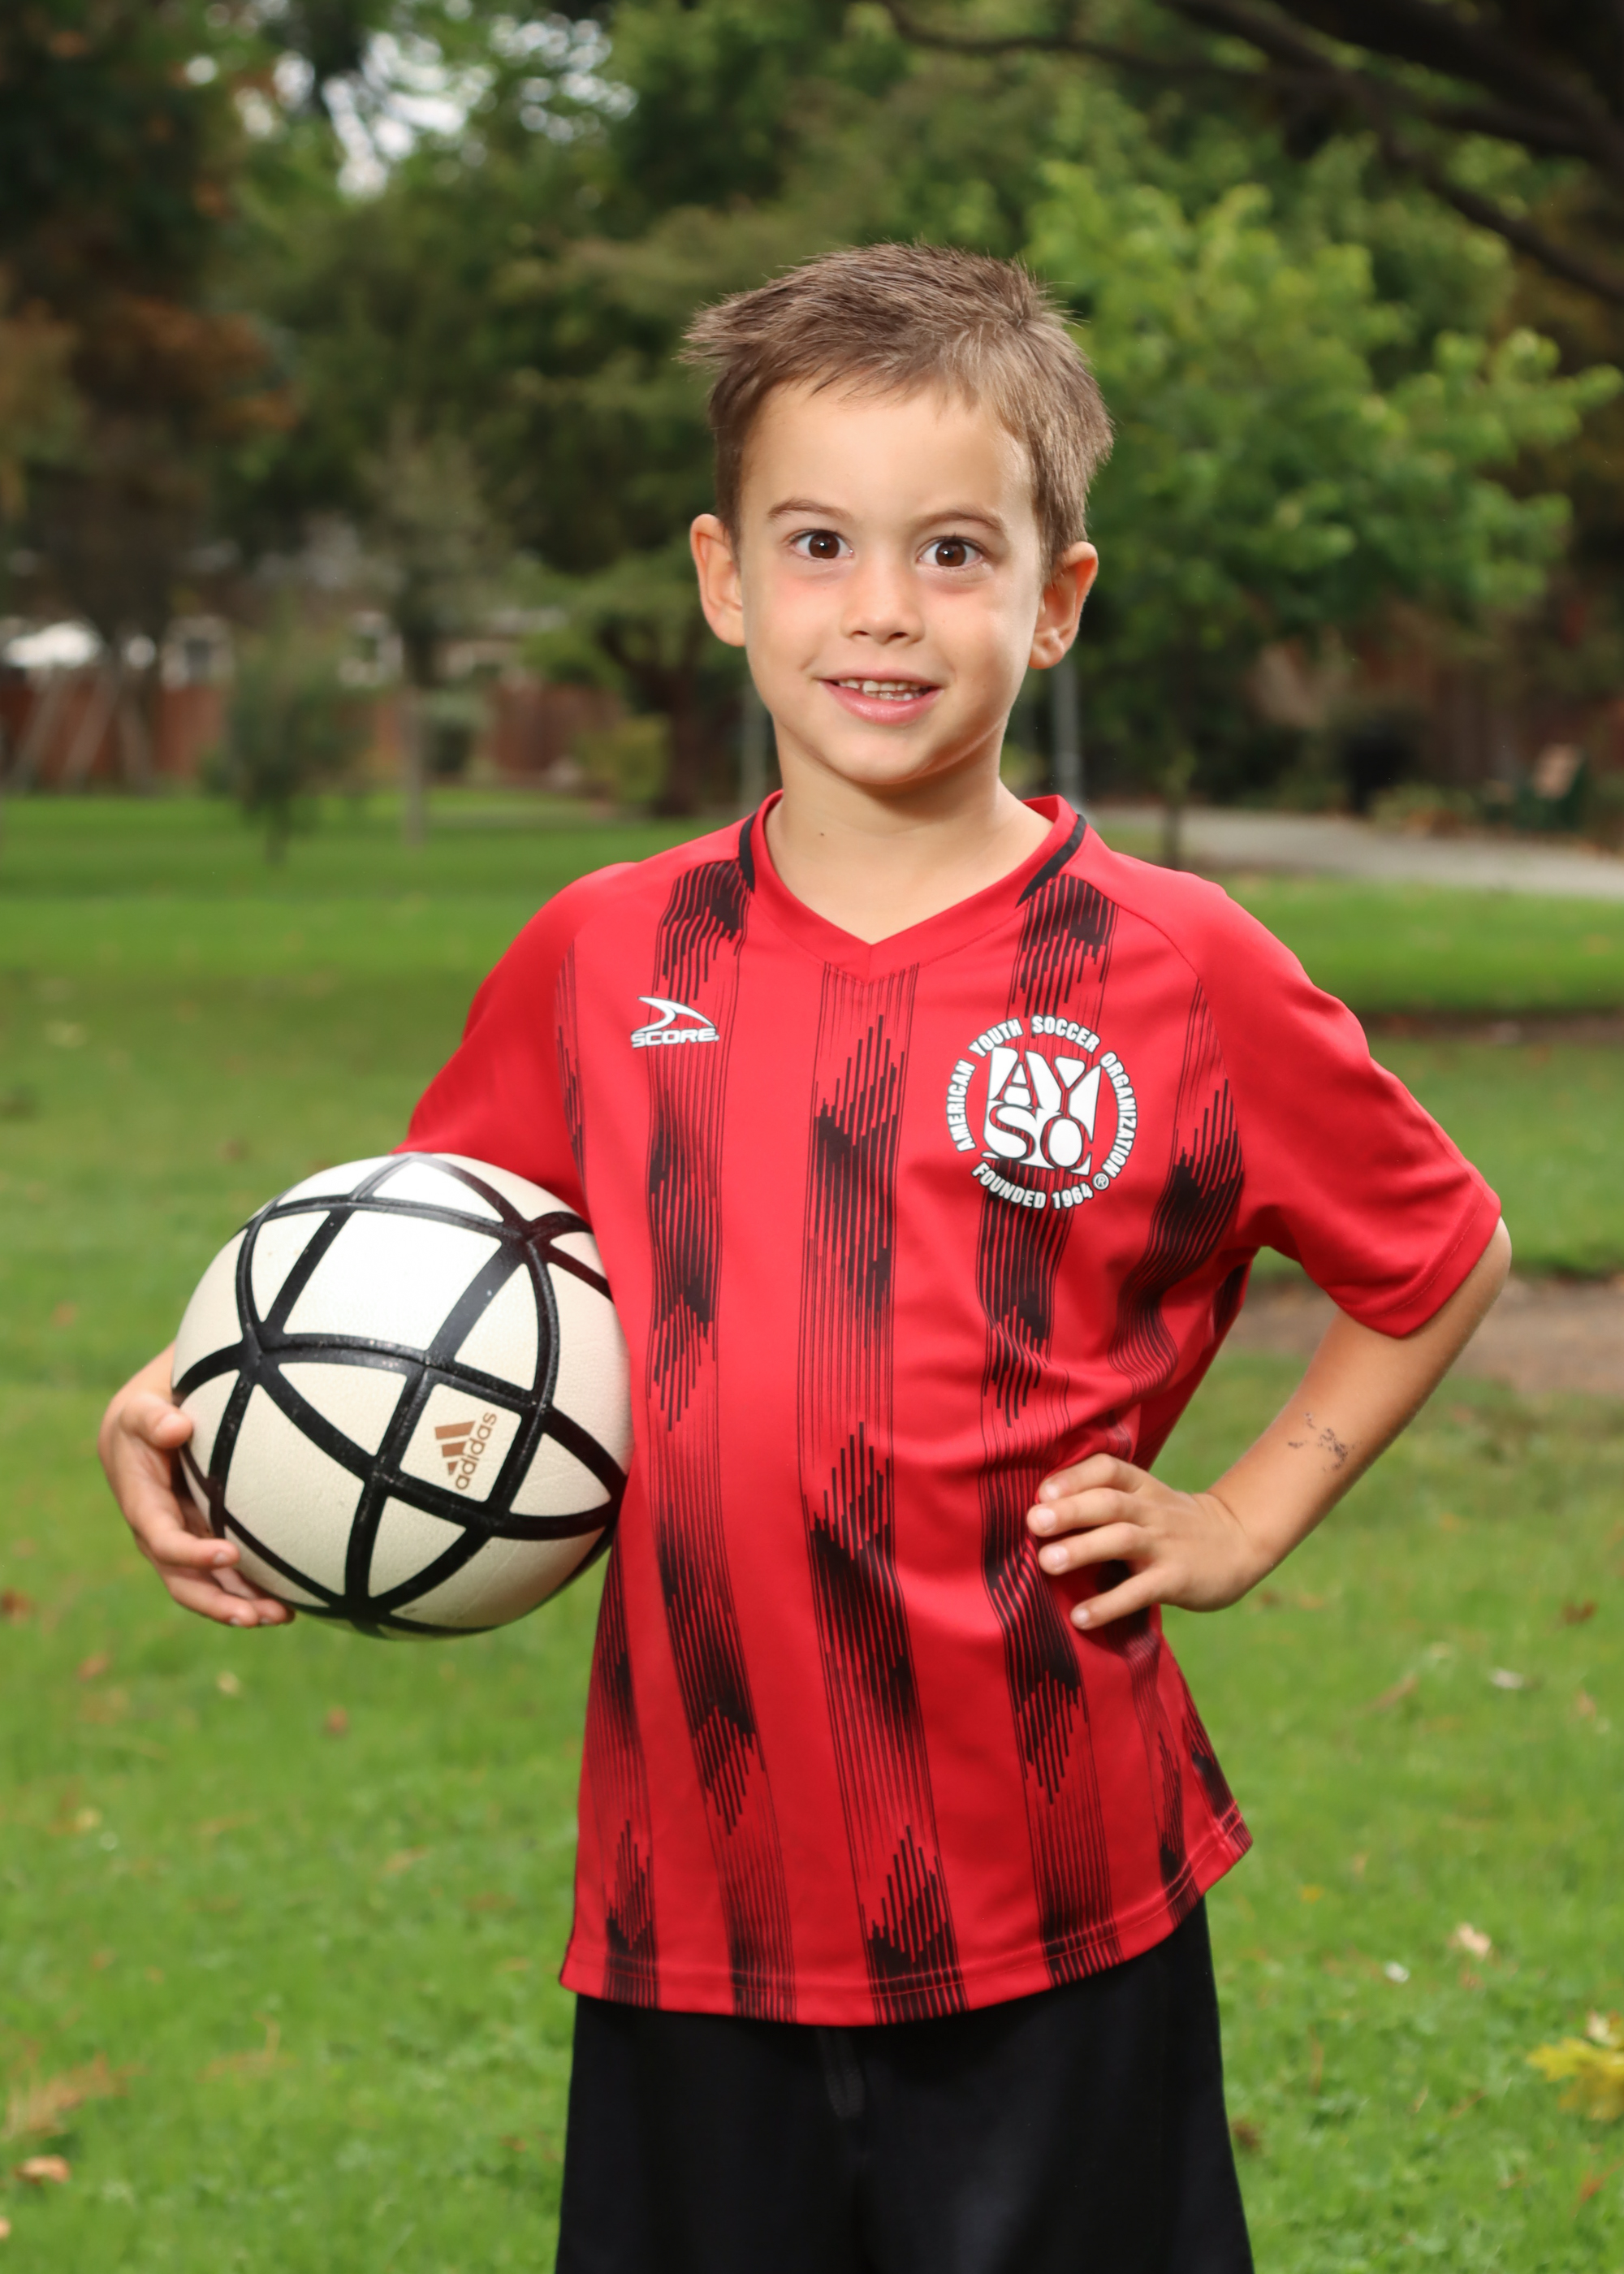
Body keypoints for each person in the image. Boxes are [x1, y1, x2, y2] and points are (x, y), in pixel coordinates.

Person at [99, 244, 1510, 2273]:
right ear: (724, 577)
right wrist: (192, 1398)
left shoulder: (1175, 965)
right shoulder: (604, 953)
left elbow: (1437, 1247)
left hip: (1055, 1894)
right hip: (695, 1904)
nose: (881, 609)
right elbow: (411, 1291)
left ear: (1056, 596)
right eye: (819, 541)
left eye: (954, 551)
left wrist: (1244, 1513)